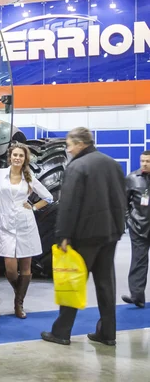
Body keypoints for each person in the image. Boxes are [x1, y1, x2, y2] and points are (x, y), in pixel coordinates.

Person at [41, 127, 126, 347]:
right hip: (110, 233)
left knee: (72, 282)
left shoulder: (77, 167)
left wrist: (62, 235)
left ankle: (61, 332)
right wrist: (118, 228)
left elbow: (69, 205)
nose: (68, 150)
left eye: (69, 145)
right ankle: (107, 333)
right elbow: (121, 199)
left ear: (80, 144)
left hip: (85, 235)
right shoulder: (113, 164)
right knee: (106, 284)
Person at [0, 142, 53, 318]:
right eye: (15, 155)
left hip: (26, 226)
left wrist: (34, 207)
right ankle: (19, 294)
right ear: (10, 157)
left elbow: (48, 197)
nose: (17, 158)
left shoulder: (29, 177)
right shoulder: (0, 175)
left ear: (25, 159)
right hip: (6, 227)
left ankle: (18, 304)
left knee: (26, 267)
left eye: (21, 156)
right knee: (10, 269)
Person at [121, 150, 150, 309]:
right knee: (139, 261)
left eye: (148, 161)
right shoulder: (132, 178)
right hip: (138, 227)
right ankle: (137, 296)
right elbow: (124, 203)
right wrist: (129, 220)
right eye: (142, 161)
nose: (144, 164)